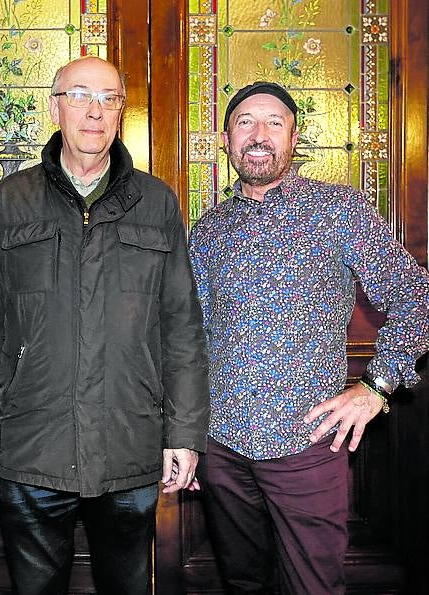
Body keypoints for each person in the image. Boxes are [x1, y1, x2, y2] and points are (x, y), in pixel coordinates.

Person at [0, 56, 209, 595]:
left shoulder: (157, 201)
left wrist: (184, 433)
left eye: (109, 98)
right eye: (79, 95)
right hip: (32, 450)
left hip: (130, 445)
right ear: (55, 108)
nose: (94, 111)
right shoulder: (10, 201)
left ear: (121, 112)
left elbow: (181, 328)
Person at [188, 81, 429, 594]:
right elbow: (191, 337)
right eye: (245, 123)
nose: (259, 135)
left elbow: (414, 295)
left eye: (274, 123)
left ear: (294, 139)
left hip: (309, 442)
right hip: (222, 447)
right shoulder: (209, 229)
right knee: (243, 581)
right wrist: (185, 436)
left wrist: (377, 386)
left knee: (313, 587)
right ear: (226, 140)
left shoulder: (339, 210)